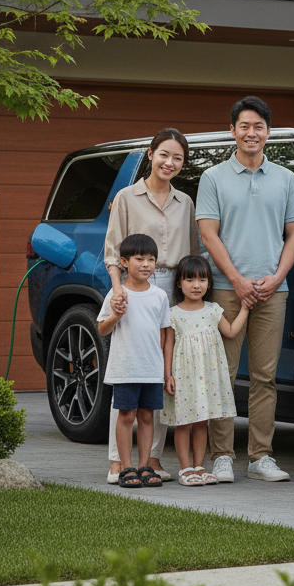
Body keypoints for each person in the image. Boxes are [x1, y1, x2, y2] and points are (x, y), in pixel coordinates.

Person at [196, 96, 294, 483]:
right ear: (233, 131)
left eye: (258, 126)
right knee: (222, 373)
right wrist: (239, 281)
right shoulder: (213, 178)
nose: (251, 133)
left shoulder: (286, 179)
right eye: (244, 126)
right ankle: (222, 456)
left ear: (268, 133)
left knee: (265, 376)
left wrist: (275, 278)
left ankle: (260, 457)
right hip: (227, 290)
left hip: (274, 291)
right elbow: (208, 234)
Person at [103, 127, 200, 485]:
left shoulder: (185, 202)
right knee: (129, 372)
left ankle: (153, 458)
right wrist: (118, 293)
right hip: (133, 287)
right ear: (150, 154)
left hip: (170, 291)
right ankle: (117, 461)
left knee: (161, 373)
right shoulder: (127, 197)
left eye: (178, 158)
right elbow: (113, 251)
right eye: (164, 155)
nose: (170, 162)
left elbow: (192, 254)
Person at [163, 255, 249, 487]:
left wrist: (245, 309)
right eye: (190, 279)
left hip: (206, 378)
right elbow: (168, 344)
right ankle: (185, 469)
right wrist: (167, 374)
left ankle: (199, 466)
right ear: (179, 283)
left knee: (202, 422)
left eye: (202, 279)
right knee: (183, 423)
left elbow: (230, 332)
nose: (196, 285)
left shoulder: (213, 310)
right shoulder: (173, 313)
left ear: (209, 283)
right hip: (183, 376)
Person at [97, 233, 172, 489]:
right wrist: (116, 316)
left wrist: (164, 370)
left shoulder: (160, 296)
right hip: (125, 368)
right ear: (124, 262)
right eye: (139, 258)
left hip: (151, 369)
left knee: (148, 416)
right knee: (126, 415)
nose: (146, 264)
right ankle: (125, 466)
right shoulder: (116, 295)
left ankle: (145, 466)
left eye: (151, 259)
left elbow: (163, 334)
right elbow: (102, 330)